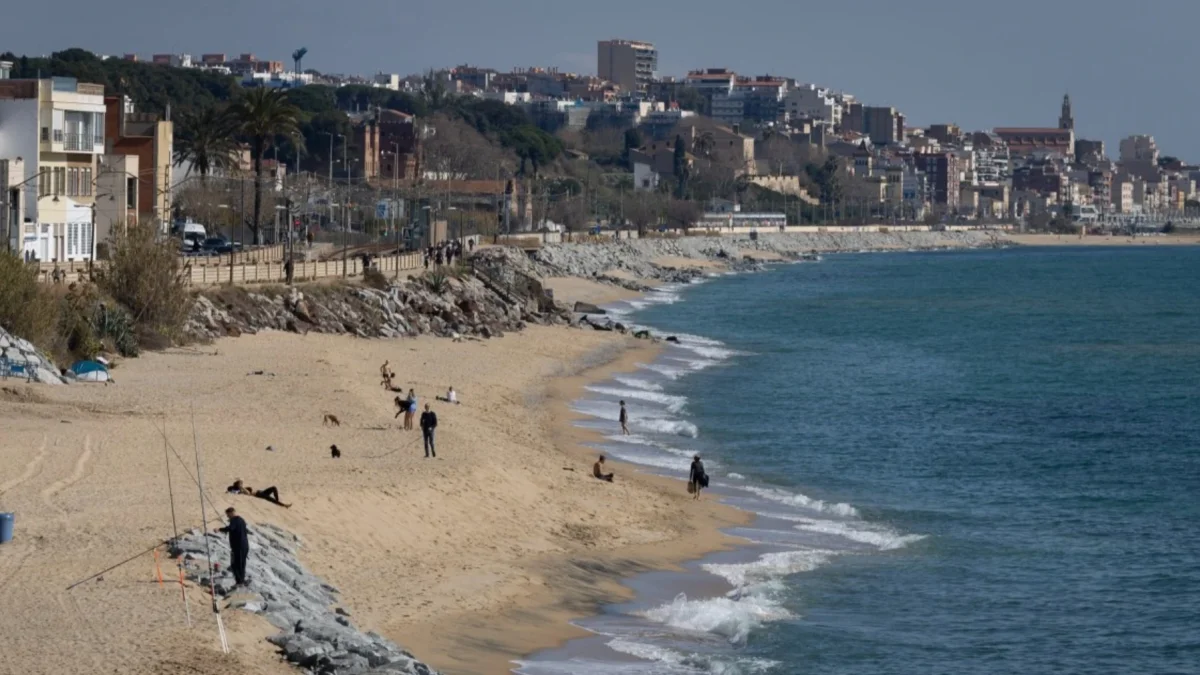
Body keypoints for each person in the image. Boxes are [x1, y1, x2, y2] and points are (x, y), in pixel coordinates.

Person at [218, 507, 250, 587]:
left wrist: (219, 529)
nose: (227, 517)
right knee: (242, 564)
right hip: (244, 545)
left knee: (235, 564)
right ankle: (241, 581)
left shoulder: (234, 520)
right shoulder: (241, 520)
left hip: (238, 546)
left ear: (231, 513)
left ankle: (239, 582)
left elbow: (231, 528)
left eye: (228, 515)